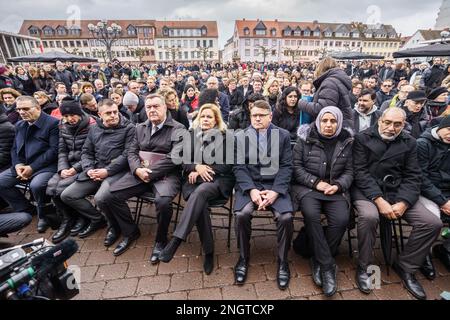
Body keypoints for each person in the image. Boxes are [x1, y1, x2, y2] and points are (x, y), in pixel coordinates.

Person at [351, 107, 443, 300]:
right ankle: (365, 266)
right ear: (380, 120)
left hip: (398, 190)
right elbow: (360, 172)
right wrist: (378, 199)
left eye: (397, 124)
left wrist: (403, 202)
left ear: (404, 124)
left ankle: (406, 266)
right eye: (387, 122)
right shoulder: (362, 138)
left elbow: (413, 175)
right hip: (368, 190)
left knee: (432, 223)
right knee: (369, 217)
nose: (391, 128)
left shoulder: (410, 142)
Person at [100, 94, 185, 258]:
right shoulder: (140, 127)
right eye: (149, 107)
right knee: (109, 196)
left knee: (163, 202)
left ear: (165, 107)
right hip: (140, 172)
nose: (152, 110)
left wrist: (150, 173)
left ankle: (160, 240)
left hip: (166, 174)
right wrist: (137, 169)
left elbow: (174, 157)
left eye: (156, 106)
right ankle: (130, 231)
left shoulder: (178, 129)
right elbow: (131, 152)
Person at [159, 104, 234, 274]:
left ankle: (176, 240)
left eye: (209, 117)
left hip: (217, 182)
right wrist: (195, 167)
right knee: (200, 207)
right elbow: (182, 160)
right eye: (203, 116)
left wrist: (201, 172)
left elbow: (227, 165)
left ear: (216, 119)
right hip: (192, 182)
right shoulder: (190, 135)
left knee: (200, 193)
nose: (205, 120)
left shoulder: (227, 136)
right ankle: (209, 252)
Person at [291, 107, 354, 297]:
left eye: (333, 121)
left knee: (342, 220)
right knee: (311, 214)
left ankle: (317, 259)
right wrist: (316, 183)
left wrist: (339, 185)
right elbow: (297, 167)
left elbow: (350, 171)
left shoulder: (347, 141)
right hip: (309, 188)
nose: (328, 125)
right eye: (324, 120)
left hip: (335, 189)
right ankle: (327, 266)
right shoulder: (305, 138)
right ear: (318, 121)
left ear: (339, 122)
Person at [232, 100, 294, 290]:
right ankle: (243, 257)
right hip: (250, 185)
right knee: (242, 215)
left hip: (275, 185)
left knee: (286, 218)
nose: (257, 118)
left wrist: (275, 191)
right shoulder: (240, 136)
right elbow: (239, 167)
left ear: (270, 116)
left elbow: (286, 166)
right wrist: (251, 190)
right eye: (254, 115)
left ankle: (283, 262)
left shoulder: (282, 135)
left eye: (261, 115)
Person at [60, 99, 135, 239]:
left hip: (118, 171)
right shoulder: (94, 128)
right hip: (95, 170)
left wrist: (107, 171)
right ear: (100, 114)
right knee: (67, 195)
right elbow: (86, 152)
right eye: (108, 113)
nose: (113, 115)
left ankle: (121, 229)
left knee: (101, 198)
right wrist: (89, 169)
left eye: (115, 112)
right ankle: (99, 219)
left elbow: (127, 155)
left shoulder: (129, 128)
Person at [0, 96, 60, 233]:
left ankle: (43, 216)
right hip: (23, 165)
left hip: (46, 166)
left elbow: (54, 151)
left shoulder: (53, 124)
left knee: (37, 185)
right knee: (1, 182)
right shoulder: (20, 125)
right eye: (19, 109)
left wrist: (32, 168)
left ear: (38, 108)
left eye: (26, 109)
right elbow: (14, 149)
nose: (21, 112)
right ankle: (25, 208)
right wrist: (17, 165)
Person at [46, 98, 96, 243]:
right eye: (66, 116)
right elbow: (62, 150)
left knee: (62, 189)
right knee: (51, 187)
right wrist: (62, 168)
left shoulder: (91, 125)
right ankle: (69, 218)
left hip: (85, 165)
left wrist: (74, 169)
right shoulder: (63, 125)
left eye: (73, 115)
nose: (70, 119)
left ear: (79, 113)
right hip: (67, 165)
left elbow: (92, 153)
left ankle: (84, 217)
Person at [416, 116, 450, 272]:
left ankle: (445, 248)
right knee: (433, 219)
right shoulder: (423, 144)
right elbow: (421, 177)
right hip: (427, 192)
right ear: (441, 127)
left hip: (446, 191)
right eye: (449, 130)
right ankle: (423, 254)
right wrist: (442, 201)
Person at [297, 57, 353, 127]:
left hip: (332, 126)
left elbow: (322, 109)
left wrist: (301, 103)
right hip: (340, 124)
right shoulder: (337, 79)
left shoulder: (330, 83)